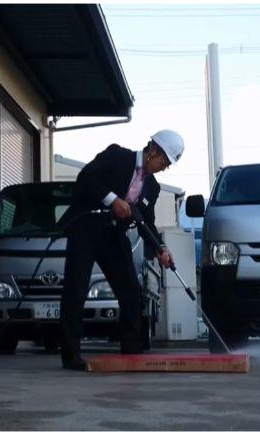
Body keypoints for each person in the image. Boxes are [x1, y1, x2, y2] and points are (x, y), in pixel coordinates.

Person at [57, 129, 185, 370]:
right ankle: (71, 355)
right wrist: (113, 200)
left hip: (113, 235)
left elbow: (147, 221)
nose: (165, 167)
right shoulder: (117, 156)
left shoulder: (152, 188)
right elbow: (87, 177)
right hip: (86, 228)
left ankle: (131, 351)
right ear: (153, 150)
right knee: (76, 288)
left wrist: (160, 248)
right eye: (164, 161)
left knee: (131, 291)